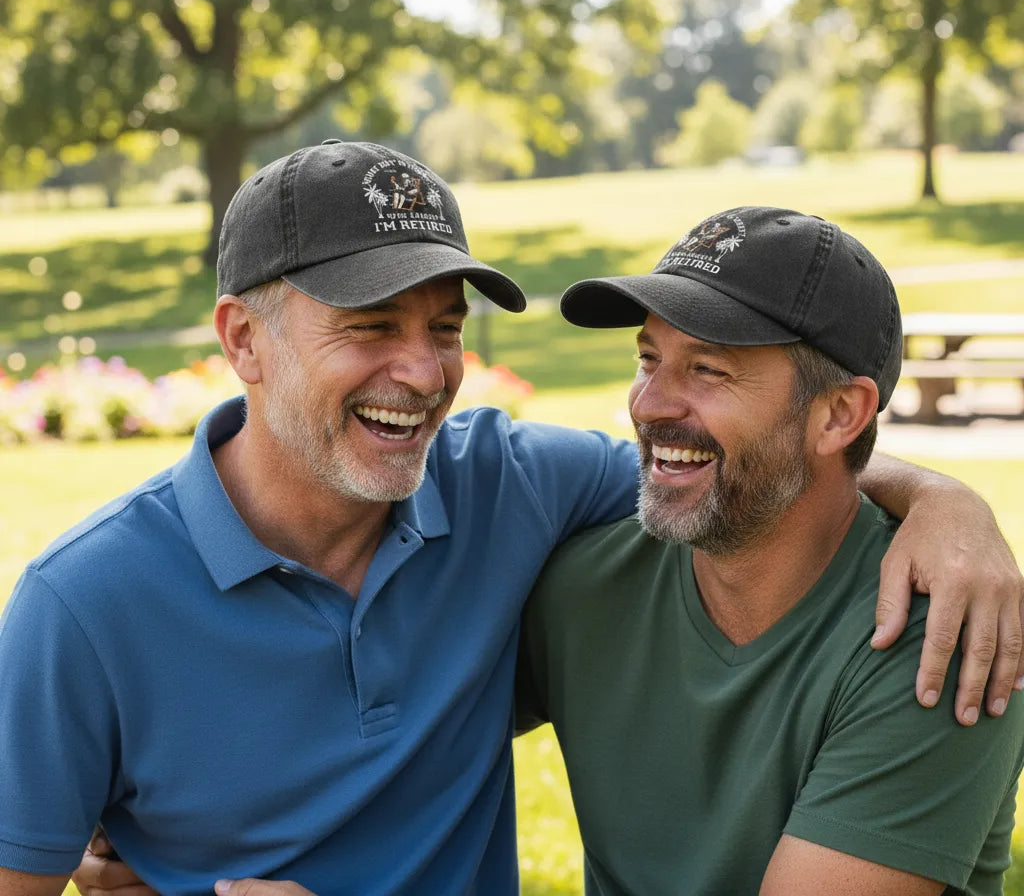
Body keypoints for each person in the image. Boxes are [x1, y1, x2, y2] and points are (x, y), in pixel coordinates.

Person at [0, 145, 1017, 896]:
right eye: (369, 327)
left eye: (445, 328)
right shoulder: (81, 605)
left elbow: (742, 476)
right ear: (242, 340)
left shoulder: (513, 494)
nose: (422, 371)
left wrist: (943, 501)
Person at [516, 206, 1024, 894]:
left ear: (839, 415)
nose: (649, 404)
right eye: (648, 358)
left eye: (708, 370)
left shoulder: (933, 643)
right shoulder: (586, 588)